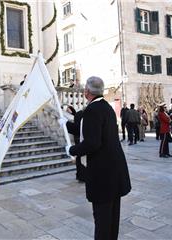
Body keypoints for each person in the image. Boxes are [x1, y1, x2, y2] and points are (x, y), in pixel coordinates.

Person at [65, 76, 131, 240]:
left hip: (103, 173)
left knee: (102, 221)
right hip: (114, 170)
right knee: (112, 218)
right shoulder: (106, 107)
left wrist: (71, 149)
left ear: (86, 92)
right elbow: (90, 132)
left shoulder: (92, 110)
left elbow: (92, 143)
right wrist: (65, 123)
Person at [59, 105, 86, 182]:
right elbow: (77, 128)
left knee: (81, 158)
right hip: (79, 139)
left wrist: (67, 124)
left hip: (82, 140)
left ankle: (81, 175)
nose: (68, 111)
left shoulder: (82, 115)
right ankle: (80, 175)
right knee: (80, 158)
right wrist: (66, 124)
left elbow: (78, 128)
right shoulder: (80, 114)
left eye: (69, 109)